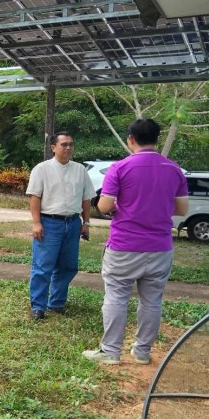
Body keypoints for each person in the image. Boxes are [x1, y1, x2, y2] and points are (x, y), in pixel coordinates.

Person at [83, 119, 188, 366]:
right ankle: (141, 352)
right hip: (160, 248)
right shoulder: (174, 169)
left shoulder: (120, 167)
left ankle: (110, 351)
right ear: (157, 139)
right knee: (152, 301)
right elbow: (182, 209)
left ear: (131, 139)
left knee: (116, 297)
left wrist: (125, 205)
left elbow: (104, 206)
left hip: (124, 246)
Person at [26, 132, 95, 321]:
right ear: (53, 147)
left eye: (71, 144)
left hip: (72, 223)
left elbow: (86, 198)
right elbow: (34, 196)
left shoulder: (80, 170)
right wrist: (36, 223)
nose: (68, 148)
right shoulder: (42, 169)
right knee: (43, 266)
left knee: (68, 266)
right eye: (64, 144)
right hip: (49, 223)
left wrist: (86, 223)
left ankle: (56, 303)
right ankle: (38, 307)